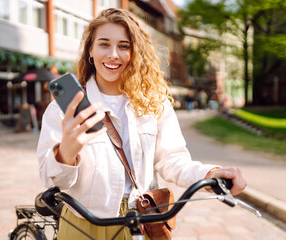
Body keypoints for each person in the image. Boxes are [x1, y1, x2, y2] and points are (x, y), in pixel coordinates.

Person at [37, 8, 246, 240]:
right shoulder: (63, 109)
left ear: (134, 52)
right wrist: (66, 152)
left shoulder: (153, 103)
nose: (113, 54)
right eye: (104, 44)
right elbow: (52, 180)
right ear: (91, 51)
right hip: (83, 225)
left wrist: (210, 173)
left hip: (141, 222)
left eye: (124, 46)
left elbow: (172, 160)